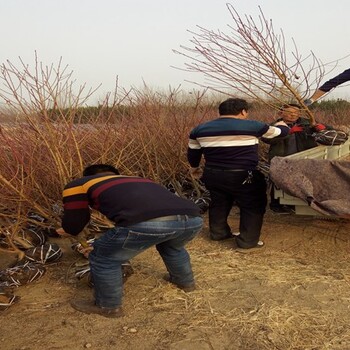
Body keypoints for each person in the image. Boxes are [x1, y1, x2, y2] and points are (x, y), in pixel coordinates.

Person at [56, 164, 203, 318]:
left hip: (151, 222)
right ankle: (185, 283)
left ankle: (108, 306)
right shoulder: (140, 179)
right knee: (172, 247)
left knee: (104, 258)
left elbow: (74, 223)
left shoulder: (79, 184)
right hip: (192, 218)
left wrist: (69, 230)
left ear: (86, 175)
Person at [187, 98, 289, 251]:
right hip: (243, 174)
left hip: (213, 174)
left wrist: (195, 168)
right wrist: (282, 125)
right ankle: (247, 242)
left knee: (219, 202)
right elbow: (281, 132)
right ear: (243, 111)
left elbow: (193, 153)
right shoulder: (252, 126)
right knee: (253, 205)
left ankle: (218, 233)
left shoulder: (200, 129)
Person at [262, 103, 331, 213]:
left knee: (300, 183)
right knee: (278, 182)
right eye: (289, 112)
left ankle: (294, 204)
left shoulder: (307, 123)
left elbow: (330, 131)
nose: (293, 115)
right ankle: (276, 205)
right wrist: (288, 132)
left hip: (303, 158)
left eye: (296, 113)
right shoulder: (276, 125)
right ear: (281, 112)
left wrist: (321, 128)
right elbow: (266, 139)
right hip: (282, 158)